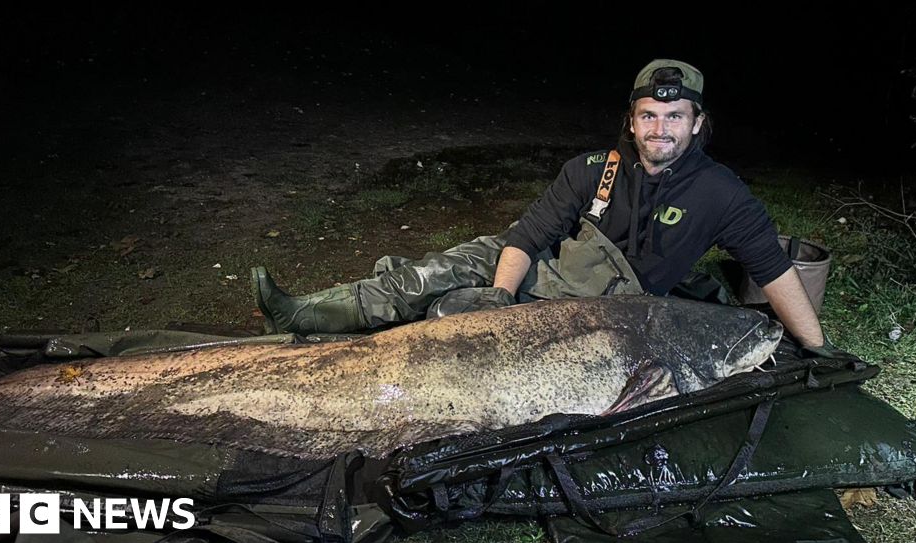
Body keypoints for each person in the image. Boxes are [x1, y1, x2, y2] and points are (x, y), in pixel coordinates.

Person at [252, 59, 833, 354]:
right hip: (540, 275)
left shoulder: (722, 192)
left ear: (698, 123)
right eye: (649, 116)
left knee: (446, 319)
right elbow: (524, 237)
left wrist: (817, 347)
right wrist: (500, 300)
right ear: (631, 122)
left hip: (601, 310)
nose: (661, 129)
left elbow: (773, 269)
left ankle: (351, 337)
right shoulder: (591, 168)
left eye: (675, 117)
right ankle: (301, 315)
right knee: (437, 272)